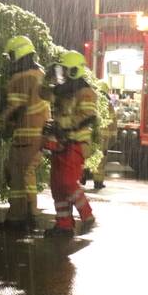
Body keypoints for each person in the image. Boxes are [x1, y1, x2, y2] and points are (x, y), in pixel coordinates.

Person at [0, 35, 50, 231]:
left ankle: (16, 219)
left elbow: (15, 105)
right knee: (28, 174)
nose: (10, 60)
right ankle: (31, 213)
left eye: (12, 55)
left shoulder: (22, 77)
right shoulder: (39, 73)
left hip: (26, 134)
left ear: (19, 54)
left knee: (15, 174)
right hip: (40, 133)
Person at [42, 50, 98, 238]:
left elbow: (86, 116)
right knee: (57, 185)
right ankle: (64, 225)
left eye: (65, 71)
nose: (62, 74)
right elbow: (43, 95)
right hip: (60, 143)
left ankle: (87, 215)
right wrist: (47, 79)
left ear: (74, 71)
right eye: (61, 71)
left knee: (67, 182)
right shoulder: (62, 90)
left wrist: (63, 124)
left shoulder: (86, 92)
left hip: (76, 143)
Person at [90, 80, 118, 190]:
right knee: (100, 159)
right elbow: (113, 121)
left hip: (92, 134)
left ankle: (82, 176)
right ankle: (98, 182)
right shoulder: (108, 104)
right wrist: (114, 136)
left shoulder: (92, 99)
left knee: (87, 155)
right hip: (103, 137)